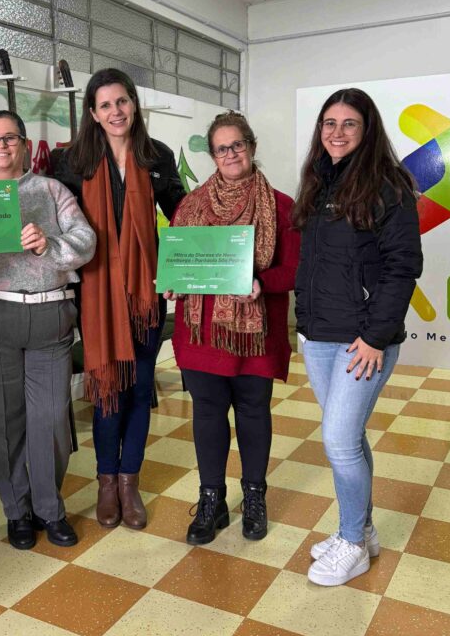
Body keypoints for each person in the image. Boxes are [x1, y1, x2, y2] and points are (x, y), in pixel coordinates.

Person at [293, 87, 422, 586]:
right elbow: (313, 263)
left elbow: (402, 266)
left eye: (349, 123)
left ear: (367, 130)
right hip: (320, 334)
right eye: (329, 123)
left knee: (339, 441)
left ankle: (351, 543)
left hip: (362, 340)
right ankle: (361, 530)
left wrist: (373, 336)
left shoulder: (388, 186)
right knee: (347, 439)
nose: (337, 132)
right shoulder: (319, 182)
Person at [55, 68, 185, 529]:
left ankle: (130, 483)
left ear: (134, 105)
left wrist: (180, 270)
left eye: (123, 102)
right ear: (93, 112)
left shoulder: (157, 156)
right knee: (108, 391)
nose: (116, 112)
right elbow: (57, 228)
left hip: (146, 295)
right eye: (106, 105)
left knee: (138, 388)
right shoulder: (71, 162)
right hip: (96, 297)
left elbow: (182, 218)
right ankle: (105, 482)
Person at [0, 109, 96, 549]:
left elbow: (86, 241)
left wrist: (50, 244)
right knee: (2, 421)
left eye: (10, 137)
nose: (1, 145)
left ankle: (49, 508)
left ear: (24, 144)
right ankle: (16, 511)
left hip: (49, 316)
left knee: (51, 419)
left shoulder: (52, 190)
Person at [170, 111, 299, 544]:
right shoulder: (189, 206)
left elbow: (296, 269)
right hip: (202, 333)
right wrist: (171, 285)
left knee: (253, 412)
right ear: (212, 154)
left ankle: (255, 495)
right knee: (207, 414)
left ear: (252, 147)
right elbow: (176, 265)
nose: (230, 154)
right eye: (222, 148)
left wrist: (263, 283)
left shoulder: (281, 206)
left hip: (255, 333)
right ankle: (212, 499)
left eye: (237, 145)